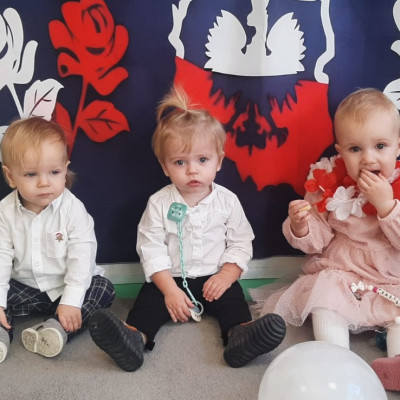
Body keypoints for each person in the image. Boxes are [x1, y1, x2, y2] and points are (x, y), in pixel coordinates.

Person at [89, 86, 286, 372]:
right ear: (165, 166)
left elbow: (241, 242)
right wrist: (169, 290)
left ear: (219, 161)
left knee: (233, 301)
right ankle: (134, 338)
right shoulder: (159, 203)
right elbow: (150, 247)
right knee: (148, 302)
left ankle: (239, 336)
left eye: (202, 160)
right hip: (170, 277)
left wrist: (226, 275)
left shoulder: (228, 201)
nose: (192, 170)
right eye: (180, 162)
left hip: (214, 277)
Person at [257, 88, 400, 390]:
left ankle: (398, 361)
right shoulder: (327, 182)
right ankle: (335, 357)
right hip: (343, 271)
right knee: (324, 299)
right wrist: (302, 225)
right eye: (355, 149)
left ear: (398, 146)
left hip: (391, 276)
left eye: (380, 146)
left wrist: (387, 206)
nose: (368, 158)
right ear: (340, 151)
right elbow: (318, 242)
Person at [0, 116, 115, 362]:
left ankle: (57, 329)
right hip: (26, 287)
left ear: (65, 169)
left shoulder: (73, 210)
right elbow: (1, 257)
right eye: (31, 174)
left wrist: (71, 300)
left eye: (54, 172)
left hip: (66, 286)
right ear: (10, 177)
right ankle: (1, 330)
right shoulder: (4, 212)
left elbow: (82, 258)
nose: (44, 183)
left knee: (103, 288)